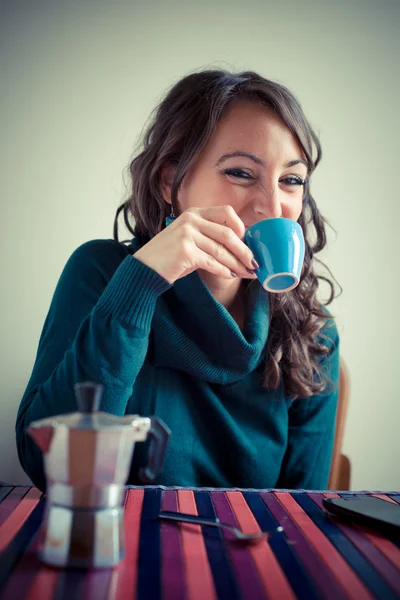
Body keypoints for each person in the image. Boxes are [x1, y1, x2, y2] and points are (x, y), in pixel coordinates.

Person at [16, 69, 340, 492]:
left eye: (291, 180)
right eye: (241, 173)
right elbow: (51, 466)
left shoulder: (314, 333)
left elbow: (302, 512)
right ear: (171, 181)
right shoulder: (99, 272)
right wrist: (141, 281)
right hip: (122, 547)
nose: (273, 206)